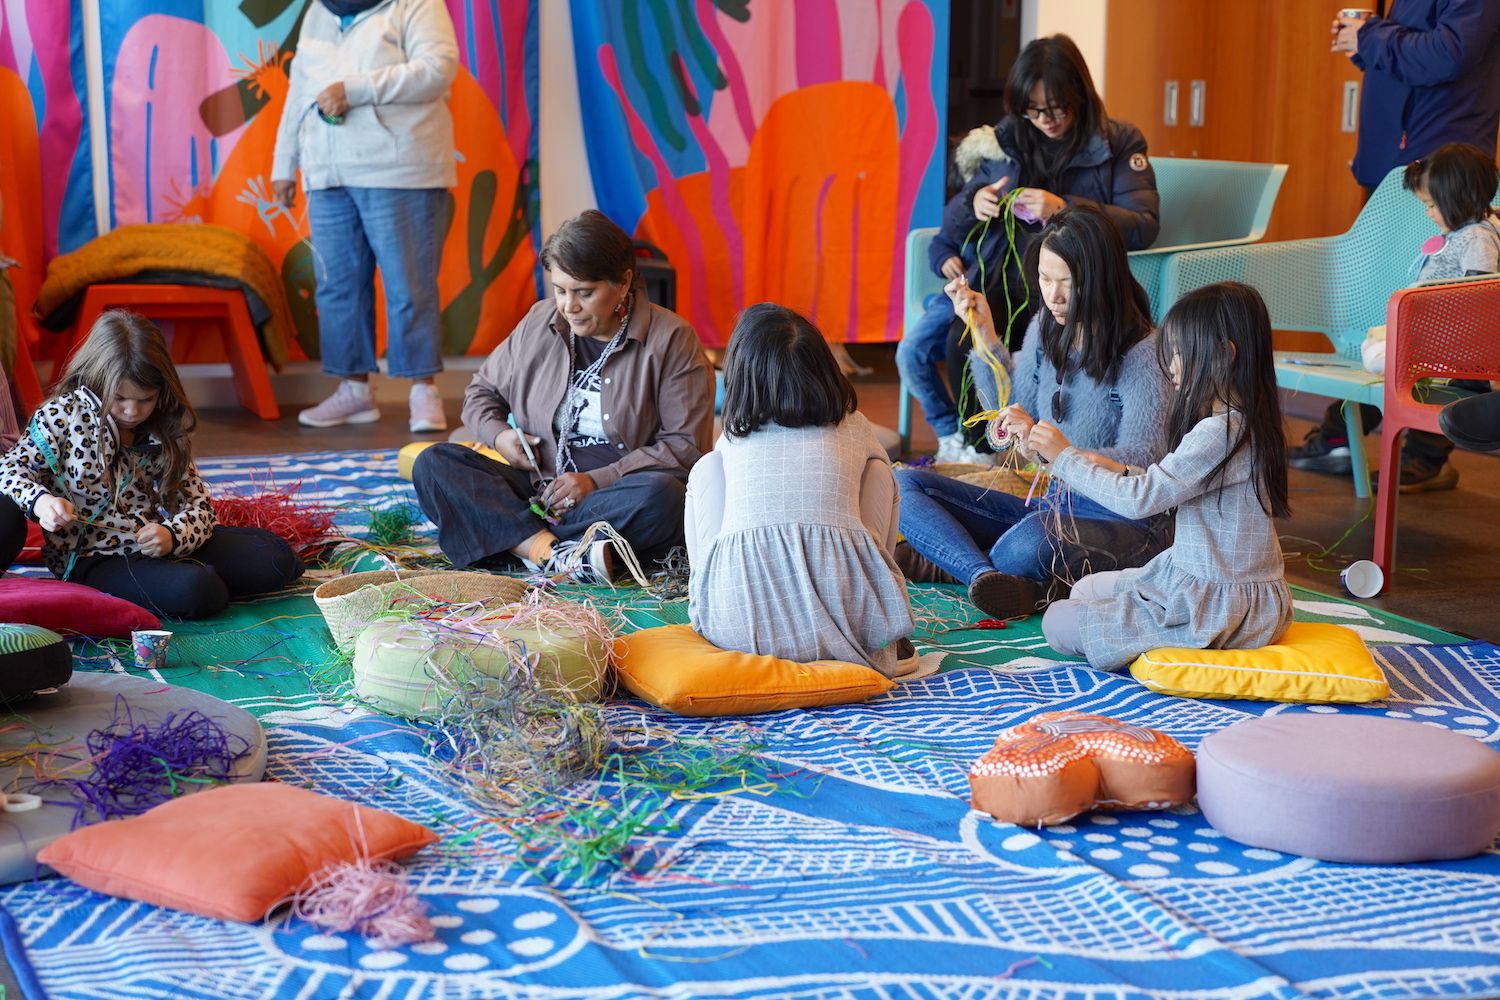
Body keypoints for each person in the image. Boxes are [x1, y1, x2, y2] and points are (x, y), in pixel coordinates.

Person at [895, 205, 1174, 621]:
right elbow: (1007, 420)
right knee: (903, 485)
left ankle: (951, 560)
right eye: (1045, 279)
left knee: (1024, 544)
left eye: (1068, 282)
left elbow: (1146, 461)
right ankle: (983, 576)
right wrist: (984, 333)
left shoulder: (1143, 353)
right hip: (1054, 507)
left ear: (1102, 281)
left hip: (1128, 523)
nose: (1054, 295)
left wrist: (1064, 455)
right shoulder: (1047, 328)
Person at [412, 210, 713, 582]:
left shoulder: (671, 339)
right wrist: (500, 436)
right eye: (560, 290)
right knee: (434, 464)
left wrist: (597, 480)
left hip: (612, 497)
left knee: (663, 497)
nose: (569, 306)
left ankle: (510, 538)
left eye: (584, 293)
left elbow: (685, 447)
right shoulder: (539, 321)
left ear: (624, 283)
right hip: (538, 489)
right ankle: (557, 554)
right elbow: (481, 393)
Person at [902, 34, 1159, 458]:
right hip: (1013, 279)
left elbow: (1145, 224)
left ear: (1080, 94)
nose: (1046, 119)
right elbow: (955, 219)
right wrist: (975, 199)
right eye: (1033, 109)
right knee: (960, 336)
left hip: (1084, 280)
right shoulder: (1006, 139)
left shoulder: (1118, 142)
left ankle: (1039, 446)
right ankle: (979, 446)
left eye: (1057, 108)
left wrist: (1065, 206)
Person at [1033, 282, 1293, 671]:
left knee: (1056, 622)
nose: (1170, 365)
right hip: (1214, 587)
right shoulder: (1243, 425)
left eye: (1178, 354)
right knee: (1086, 589)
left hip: (1217, 607)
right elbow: (1169, 483)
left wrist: (1065, 459)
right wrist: (1119, 469)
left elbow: (1140, 501)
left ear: (1223, 355)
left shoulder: (1219, 432)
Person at [0, 311, 304, 617]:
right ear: (97, 380)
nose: (132, 411)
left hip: (158, 541)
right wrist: (41, 502)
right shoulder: (62, 416)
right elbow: (9, 471)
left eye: (145, 399)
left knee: (276, 560)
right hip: (94, 556)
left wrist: (173, 537)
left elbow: (199, 506)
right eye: (119, 398)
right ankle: (196, 578)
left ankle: (195, 572)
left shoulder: (162, 425)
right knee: (199, 592)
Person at [686, 304, 915, 677]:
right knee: (880, 473)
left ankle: (706, 595)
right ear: (825, 369)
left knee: (705, 470)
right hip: (853, 629)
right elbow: (882, 485)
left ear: (741, 376)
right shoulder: (854, 426)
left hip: (734, 629)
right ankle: (879, 611)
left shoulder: (733, 436)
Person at [271, 0, 459, 434]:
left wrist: (355, 89)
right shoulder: (320, 11)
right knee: (337, 288)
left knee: (408, 283)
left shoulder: (415, 5)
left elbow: (439, 67)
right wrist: (285, 162)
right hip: (328, 171)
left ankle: (423, 391)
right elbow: (300, 87)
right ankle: (354, 391)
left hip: (400, 168)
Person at [1290, 143, 1500, 491]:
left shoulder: (1479, 238)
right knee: (1380, 363)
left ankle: (1414, 456)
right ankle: (1338, 439)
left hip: (1455, 356)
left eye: (1432, 205)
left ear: (1460, 197)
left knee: (1382, 366)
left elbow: (1477, 301)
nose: (1429, 213)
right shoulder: (1468, 230)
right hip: (1431, 344)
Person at [1332, 1, 1500, 195]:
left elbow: (1448, 55)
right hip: (1397, 162)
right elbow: (1413, 62)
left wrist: (1370, 37)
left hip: (1438, 168)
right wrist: (1363, 47)